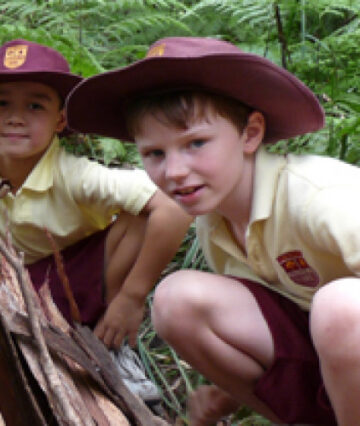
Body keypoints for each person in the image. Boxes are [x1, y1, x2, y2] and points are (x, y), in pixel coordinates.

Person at [66, 36, 352, 425]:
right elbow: (279, 322)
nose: (175, 171)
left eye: (196, 143)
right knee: (178, 302)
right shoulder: (216, 224)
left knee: (341, 308)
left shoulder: (319, 198)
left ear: (250, 134)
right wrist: (225, 395)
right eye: (155, 153)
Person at [0, 39, 190, 347]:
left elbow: (175, 206)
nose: (16, 117)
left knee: (142, 217)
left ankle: (102, 341)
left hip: (71, 291)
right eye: (2, 103)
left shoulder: (73, 174)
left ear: (60, 119)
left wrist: (131, 298)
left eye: (35, 106)